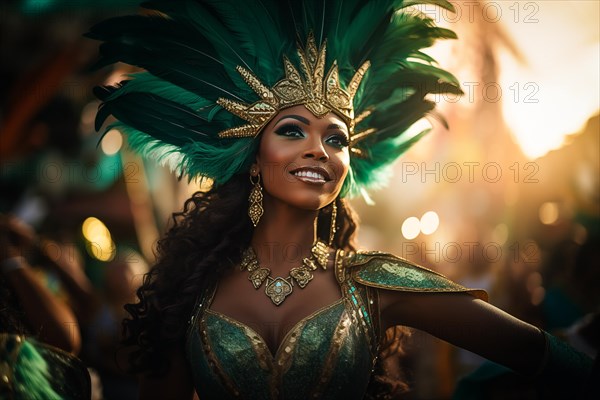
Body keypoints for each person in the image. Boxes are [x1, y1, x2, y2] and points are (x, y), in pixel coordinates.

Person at [87, 0, 594, 398]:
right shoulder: (190, 289)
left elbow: (544, 355)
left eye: (337, 138)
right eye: (292, 130)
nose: (319, 150)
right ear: (253, 155)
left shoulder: (373, 285)